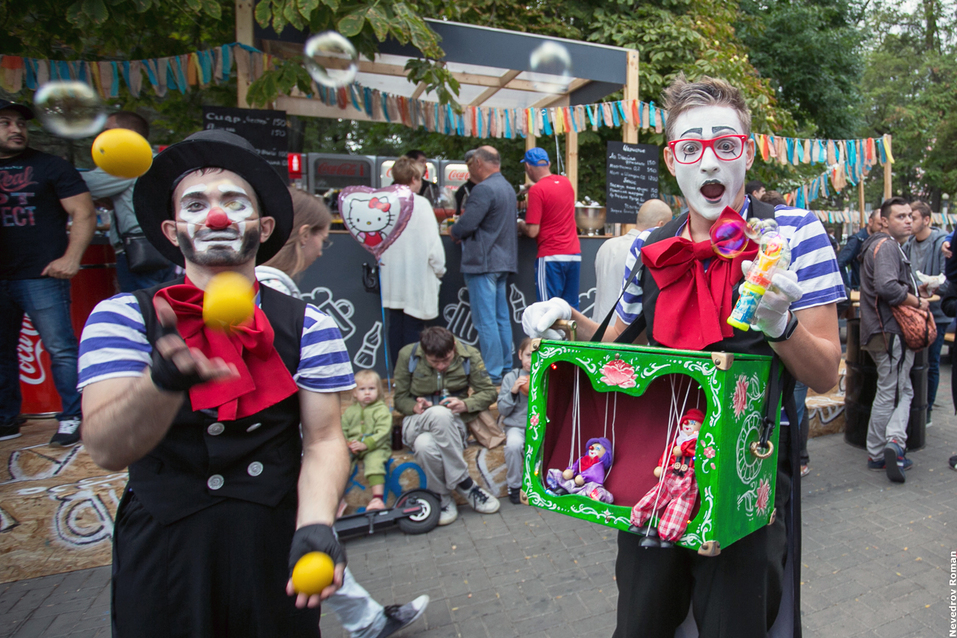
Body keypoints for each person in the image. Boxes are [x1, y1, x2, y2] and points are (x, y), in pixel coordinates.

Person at [523, 75, 844, 638]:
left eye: (726, 145)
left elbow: (823, 375)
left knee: (734, 625)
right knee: (641, 619)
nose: (710, 162)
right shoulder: (652, 245)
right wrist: (565, 322)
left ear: (747, 152)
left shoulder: (795, 233)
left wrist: (781, 324)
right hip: (655, 464)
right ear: (673, 161)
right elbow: (612, 350)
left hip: (749, 465)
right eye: (692, 148)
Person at [78, 130, 355, 636]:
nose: (217, 217)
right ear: (172, 229)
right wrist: (161, 384)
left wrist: (316, 524)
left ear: (264, 227)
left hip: (272, 546)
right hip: (164, 553)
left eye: (234, 202)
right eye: (195, 204)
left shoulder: (310, 326)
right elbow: (106, 451)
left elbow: (323, 440)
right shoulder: (120, 318)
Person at [258, 189, 430, 638]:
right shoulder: (278, 302)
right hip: (274, 462)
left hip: (284, 460)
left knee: (311, 541)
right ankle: (366, 620)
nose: (322, 248)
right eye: (321, 237)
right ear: (303, 235)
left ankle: (365, 619)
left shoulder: (278, 297)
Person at [0, 99, 95, 446]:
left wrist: (72, 257)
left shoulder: (50, 165)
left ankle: (73, 417)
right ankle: (6, 420)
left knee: (61, 349)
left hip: (42, 274)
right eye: (6, 123)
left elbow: (84, 212)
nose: (16, 129)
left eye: (21, 123)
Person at [393, 326, 500, 525]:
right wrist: (414, 406)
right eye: (435, 362)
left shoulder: (469, 355)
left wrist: (465, 404)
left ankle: (442, 497)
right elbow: (399, 399)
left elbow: (489, 392)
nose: (441, 366)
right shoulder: (408, 355)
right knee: (438, 413)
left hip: (454, 422)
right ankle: (465, 484)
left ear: (454, 347)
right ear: (424, 352)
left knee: (425, 445)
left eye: (446, 360)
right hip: (416, 421)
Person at [859, 197, 923, 484]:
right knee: (894, 390)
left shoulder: (880, 245)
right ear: (884, 221)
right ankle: (884, 449)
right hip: (890, 330)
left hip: (882, 330)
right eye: (900, 216)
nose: (908, 220)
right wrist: (918, 302)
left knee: (899, 388)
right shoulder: (886, 246)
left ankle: (889, 444)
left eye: (910, 215)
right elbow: (887, 287)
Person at [81, 111, 176, 293]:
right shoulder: (158, 159)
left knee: (140, 305)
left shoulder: (128, 159)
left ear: (129, 133)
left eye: (108, 131)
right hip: (165, 244)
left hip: (140, 248)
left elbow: (81, 186)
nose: (102, 137)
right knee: (163, 302)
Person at [450, 146, 518, 384]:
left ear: (478, 163)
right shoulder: (507, 188)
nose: (469, 170)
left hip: (483, 262)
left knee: (485, 321)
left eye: (471, 165)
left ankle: (492, 372)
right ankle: (505, 368)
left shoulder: (483, 189)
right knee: (501, 318)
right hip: (503, 261)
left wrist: (454, 230)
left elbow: (466, 224)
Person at [380, 156, 446, 367]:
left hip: (391, 277)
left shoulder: (383, 203)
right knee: (414, 327)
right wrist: (440, 270)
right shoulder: (421, 204)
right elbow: (433, 246)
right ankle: (413, 373)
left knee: (395, 326)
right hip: (417, 276)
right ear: (414, 179)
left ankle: (398, 373)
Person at [902, 200, 948, 426]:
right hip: (914, 312)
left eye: (913, 217)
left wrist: (930, 287)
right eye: (905, 216)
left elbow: (946, 280)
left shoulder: (942, 243)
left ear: (927, 220)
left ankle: (926, 409)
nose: (909, 221)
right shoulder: (908, 245)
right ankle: (914, 407)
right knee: (914, 363)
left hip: (937, 313)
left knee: (931, 362)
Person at [517, 147, 581, 306]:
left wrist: (519, 224)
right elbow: (552, 192)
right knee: (571, 309)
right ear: (549, 164)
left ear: (528, 167)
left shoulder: (537, 191)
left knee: (547, 309)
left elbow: (532, 231)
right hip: (573, 254)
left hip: (551, 256)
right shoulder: (566, 183)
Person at [592, 198, 672, 321]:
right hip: (625, 329)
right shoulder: (645, 252)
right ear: (660, 225)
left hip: (599, 325)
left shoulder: (606, 246)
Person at [341, 369, 392, 511]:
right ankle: (338, 499)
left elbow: (383, 432)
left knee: (374, 462)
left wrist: (366, 444)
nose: (367, 393)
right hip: (353, 447)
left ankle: (377, 499)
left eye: (371, 389)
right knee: (340, 463)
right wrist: (347, 443)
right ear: (354, 393)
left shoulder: (381, 410)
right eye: (362, 389)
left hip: (376, 446)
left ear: (378, 391)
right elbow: (342, 429)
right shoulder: (350, 411)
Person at [497, 337, 532, 504]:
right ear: (520, 355)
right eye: (528, 355)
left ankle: (544, 481)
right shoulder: (511, 377)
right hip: (516, 425)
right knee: (513, 445)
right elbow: (502, 410)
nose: (531, 360)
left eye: (536, 355)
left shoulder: (548, 374)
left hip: (538, 425)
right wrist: (513, 391)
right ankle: (515, 485)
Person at [838, 209, 882, 289]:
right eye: (879, 224)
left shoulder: (883, 239)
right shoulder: (857, 240)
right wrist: (847, 288)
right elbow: (840, 263)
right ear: (870, 222)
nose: (882, 228)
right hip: (861, 289)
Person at [454, 150, 478, 216]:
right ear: (468, 165)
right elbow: (457, 214)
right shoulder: (463, 191)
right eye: (475, 164)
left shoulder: (490, 187)